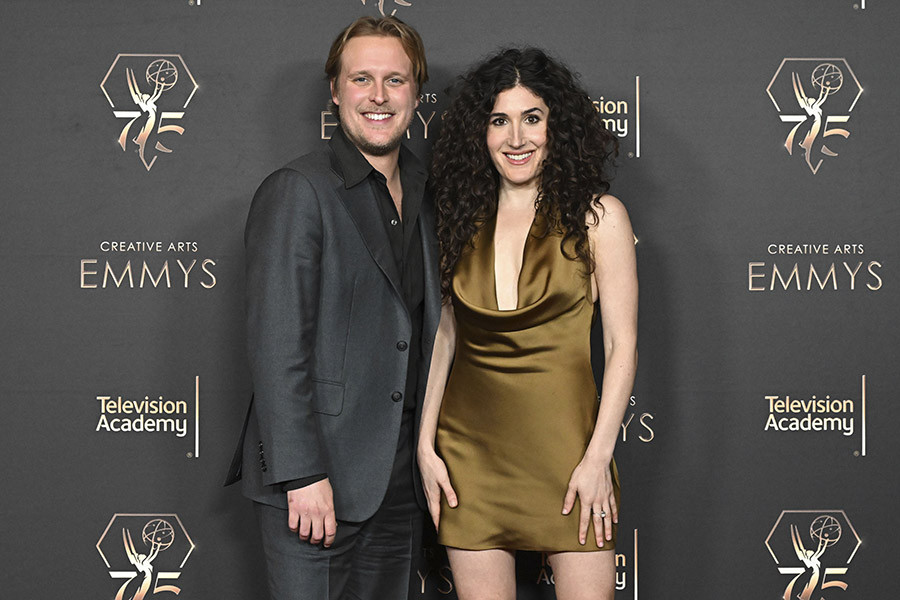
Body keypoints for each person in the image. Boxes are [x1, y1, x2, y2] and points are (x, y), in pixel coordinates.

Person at [223, 16, 440, 600]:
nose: (378, 96)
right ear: (336, 90)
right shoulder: (299, 189)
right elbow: (276, 344)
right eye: (361, 78)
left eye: (394, 80)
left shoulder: (429, 192)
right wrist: (301, 473)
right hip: (316, 481)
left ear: (416, 93)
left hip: (399, 479)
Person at [417, 48, 638, 600]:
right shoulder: (458, 216)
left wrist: (597, 458)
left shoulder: (599, 217)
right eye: (499, 120)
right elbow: (446, 338)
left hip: (570, 457)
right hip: (469, 455)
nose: (516, 137)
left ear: (556, 126)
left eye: (532, 117)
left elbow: (621, 345)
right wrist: (425, 444)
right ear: (481, 133)